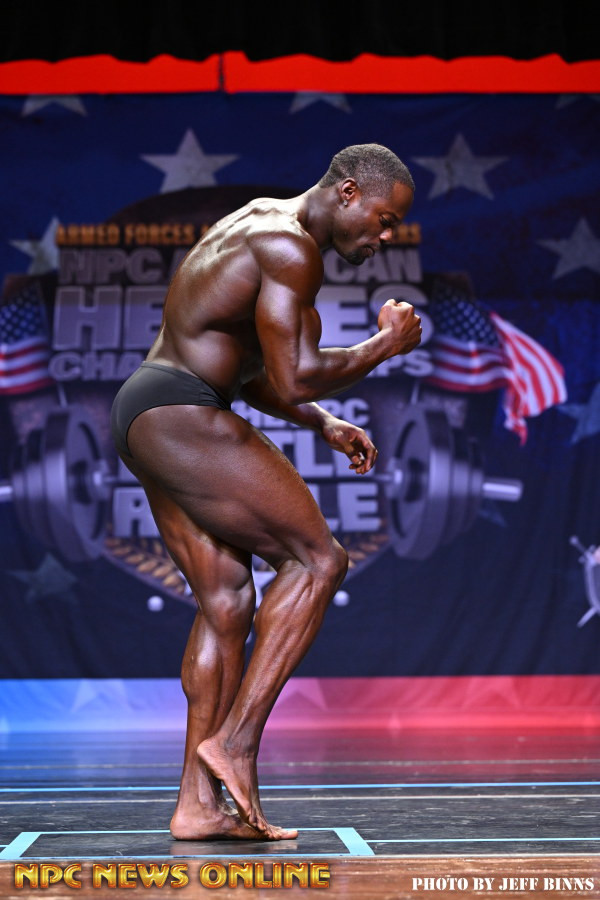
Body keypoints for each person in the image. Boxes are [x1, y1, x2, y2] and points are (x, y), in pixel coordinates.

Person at [111, 143, 422, 841]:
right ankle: (237, 744)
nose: (384, 236)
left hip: (147, 411)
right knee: (317, 560)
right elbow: (295, 375)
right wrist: (384, 345)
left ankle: (196, 807)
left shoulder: (261, 224)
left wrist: (322, 422)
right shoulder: (290, 248)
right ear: (348, 192)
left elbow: (250, 370)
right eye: (383, 219)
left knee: (226, 602)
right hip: (180, 411)